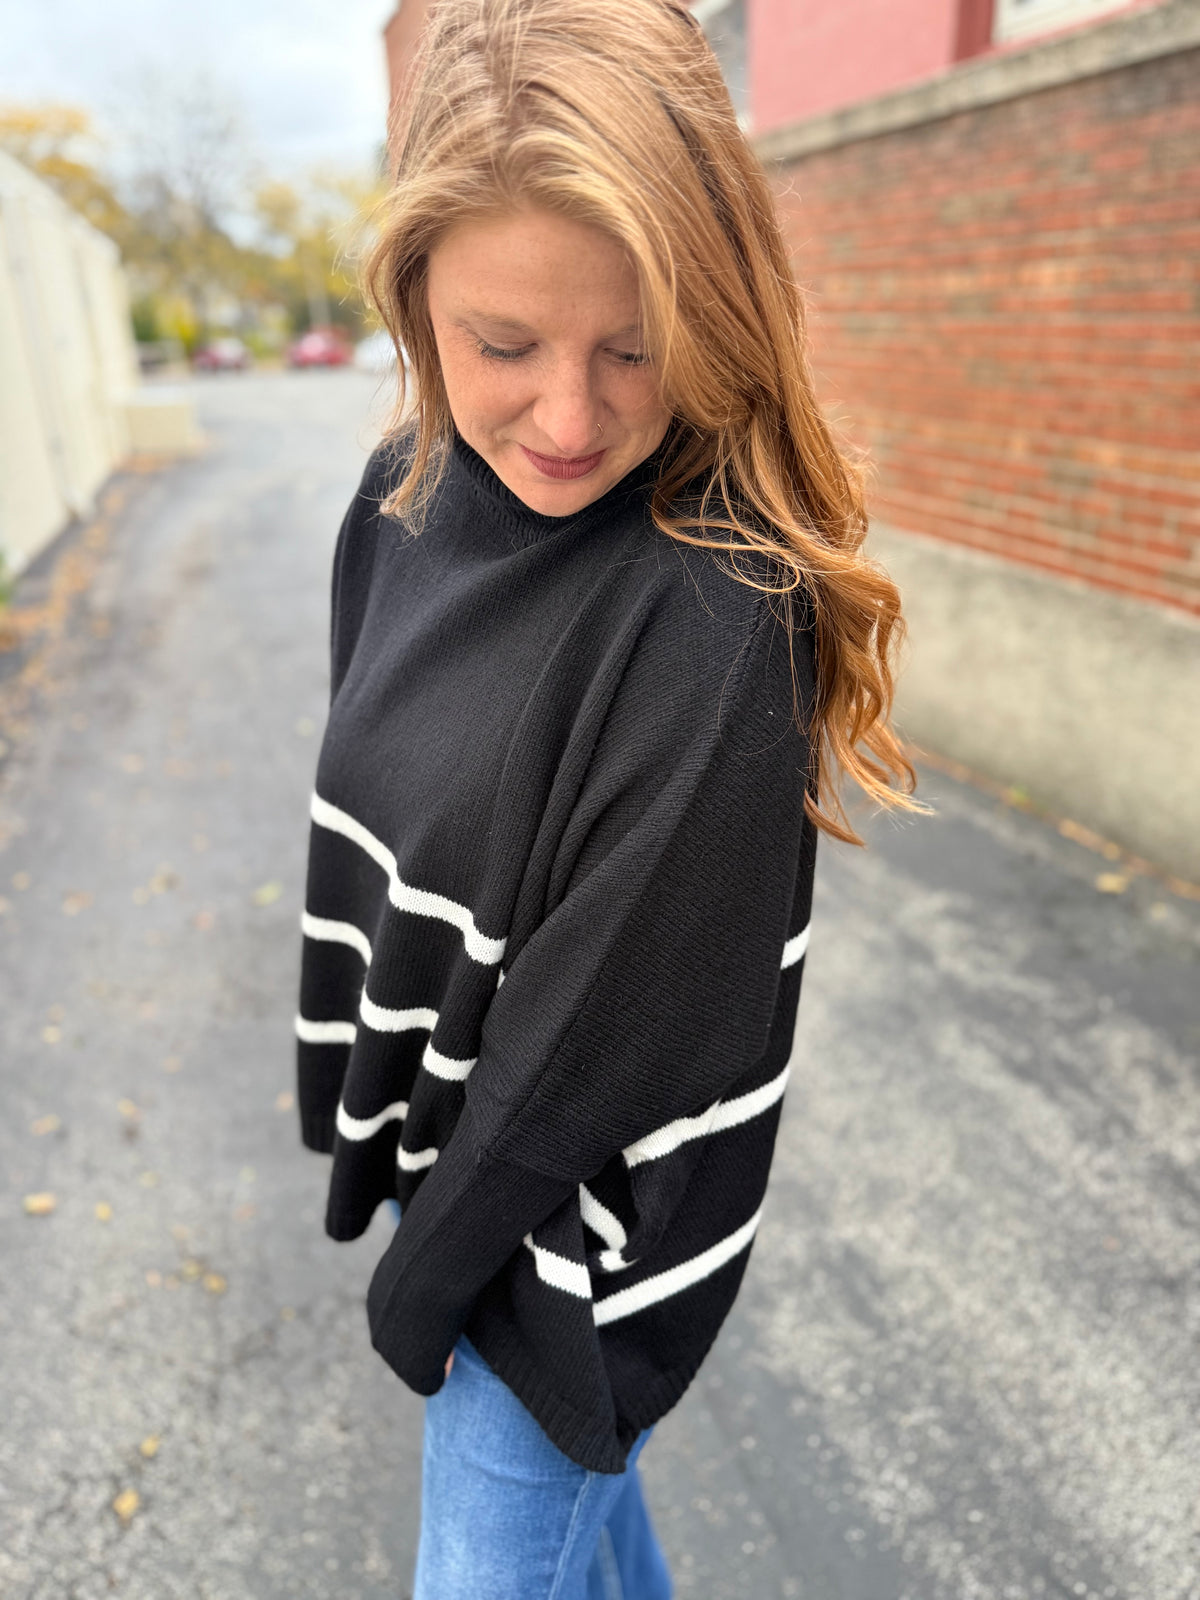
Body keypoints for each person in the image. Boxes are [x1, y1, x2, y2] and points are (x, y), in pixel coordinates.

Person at [293, 0, 920, 1594]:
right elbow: (373, 809)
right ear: (414, 297)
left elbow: (603, 1055)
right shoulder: (395, 502)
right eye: (504, 345)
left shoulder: (718, 611)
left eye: (635, 348)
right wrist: (374, 1117)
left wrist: (421, 1281)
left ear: (716, 312)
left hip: (573, 1257)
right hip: (447, 1156)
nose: (568, 420)